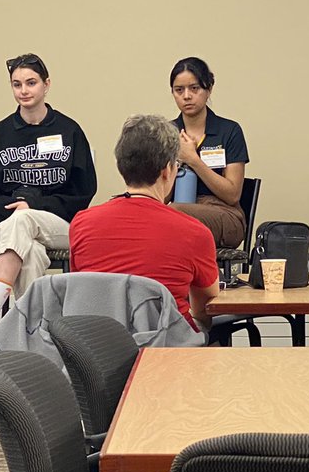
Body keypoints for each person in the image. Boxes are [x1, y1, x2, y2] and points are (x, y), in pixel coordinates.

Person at [0, 53, 97, 349]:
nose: (24, 90)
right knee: (30, 253)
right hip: (7, 225)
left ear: (46, 85)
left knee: (24, 219)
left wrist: (33, 206)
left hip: (58, 225)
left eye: (31, 83)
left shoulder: (69, 131)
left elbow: (83, 193)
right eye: (17, 84)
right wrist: (13, 208)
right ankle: (31, 341)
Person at [70, 115, 219, 331]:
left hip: (100, 353)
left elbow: (83, 290)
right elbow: (206, 306)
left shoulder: (81, 223)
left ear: (122, 167)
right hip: (168, 351)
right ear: (167, 170)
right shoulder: (194, 232)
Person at [168, 57, 250, 249]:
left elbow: (232, 195)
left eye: (194, 88)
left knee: (173, 214)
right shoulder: (167, 132)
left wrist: (193, 160)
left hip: (224, 213)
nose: (187, 96)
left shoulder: (229, 130)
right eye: (179, 90)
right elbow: (159, 195)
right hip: (177, 209)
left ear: (209, 88)